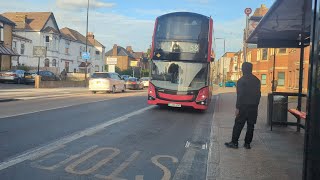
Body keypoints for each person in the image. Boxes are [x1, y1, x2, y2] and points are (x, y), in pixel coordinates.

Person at [225, 62, 261, 149]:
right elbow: (259, 94)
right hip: (253, 107)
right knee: (251, 125)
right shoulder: (257, 80)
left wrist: (237, 108)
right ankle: (247, 144)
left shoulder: (241, 81)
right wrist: (256, 104)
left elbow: (240, 95)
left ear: (243, 69)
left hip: (243, 107)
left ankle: (234, 143)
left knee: (238, 124)